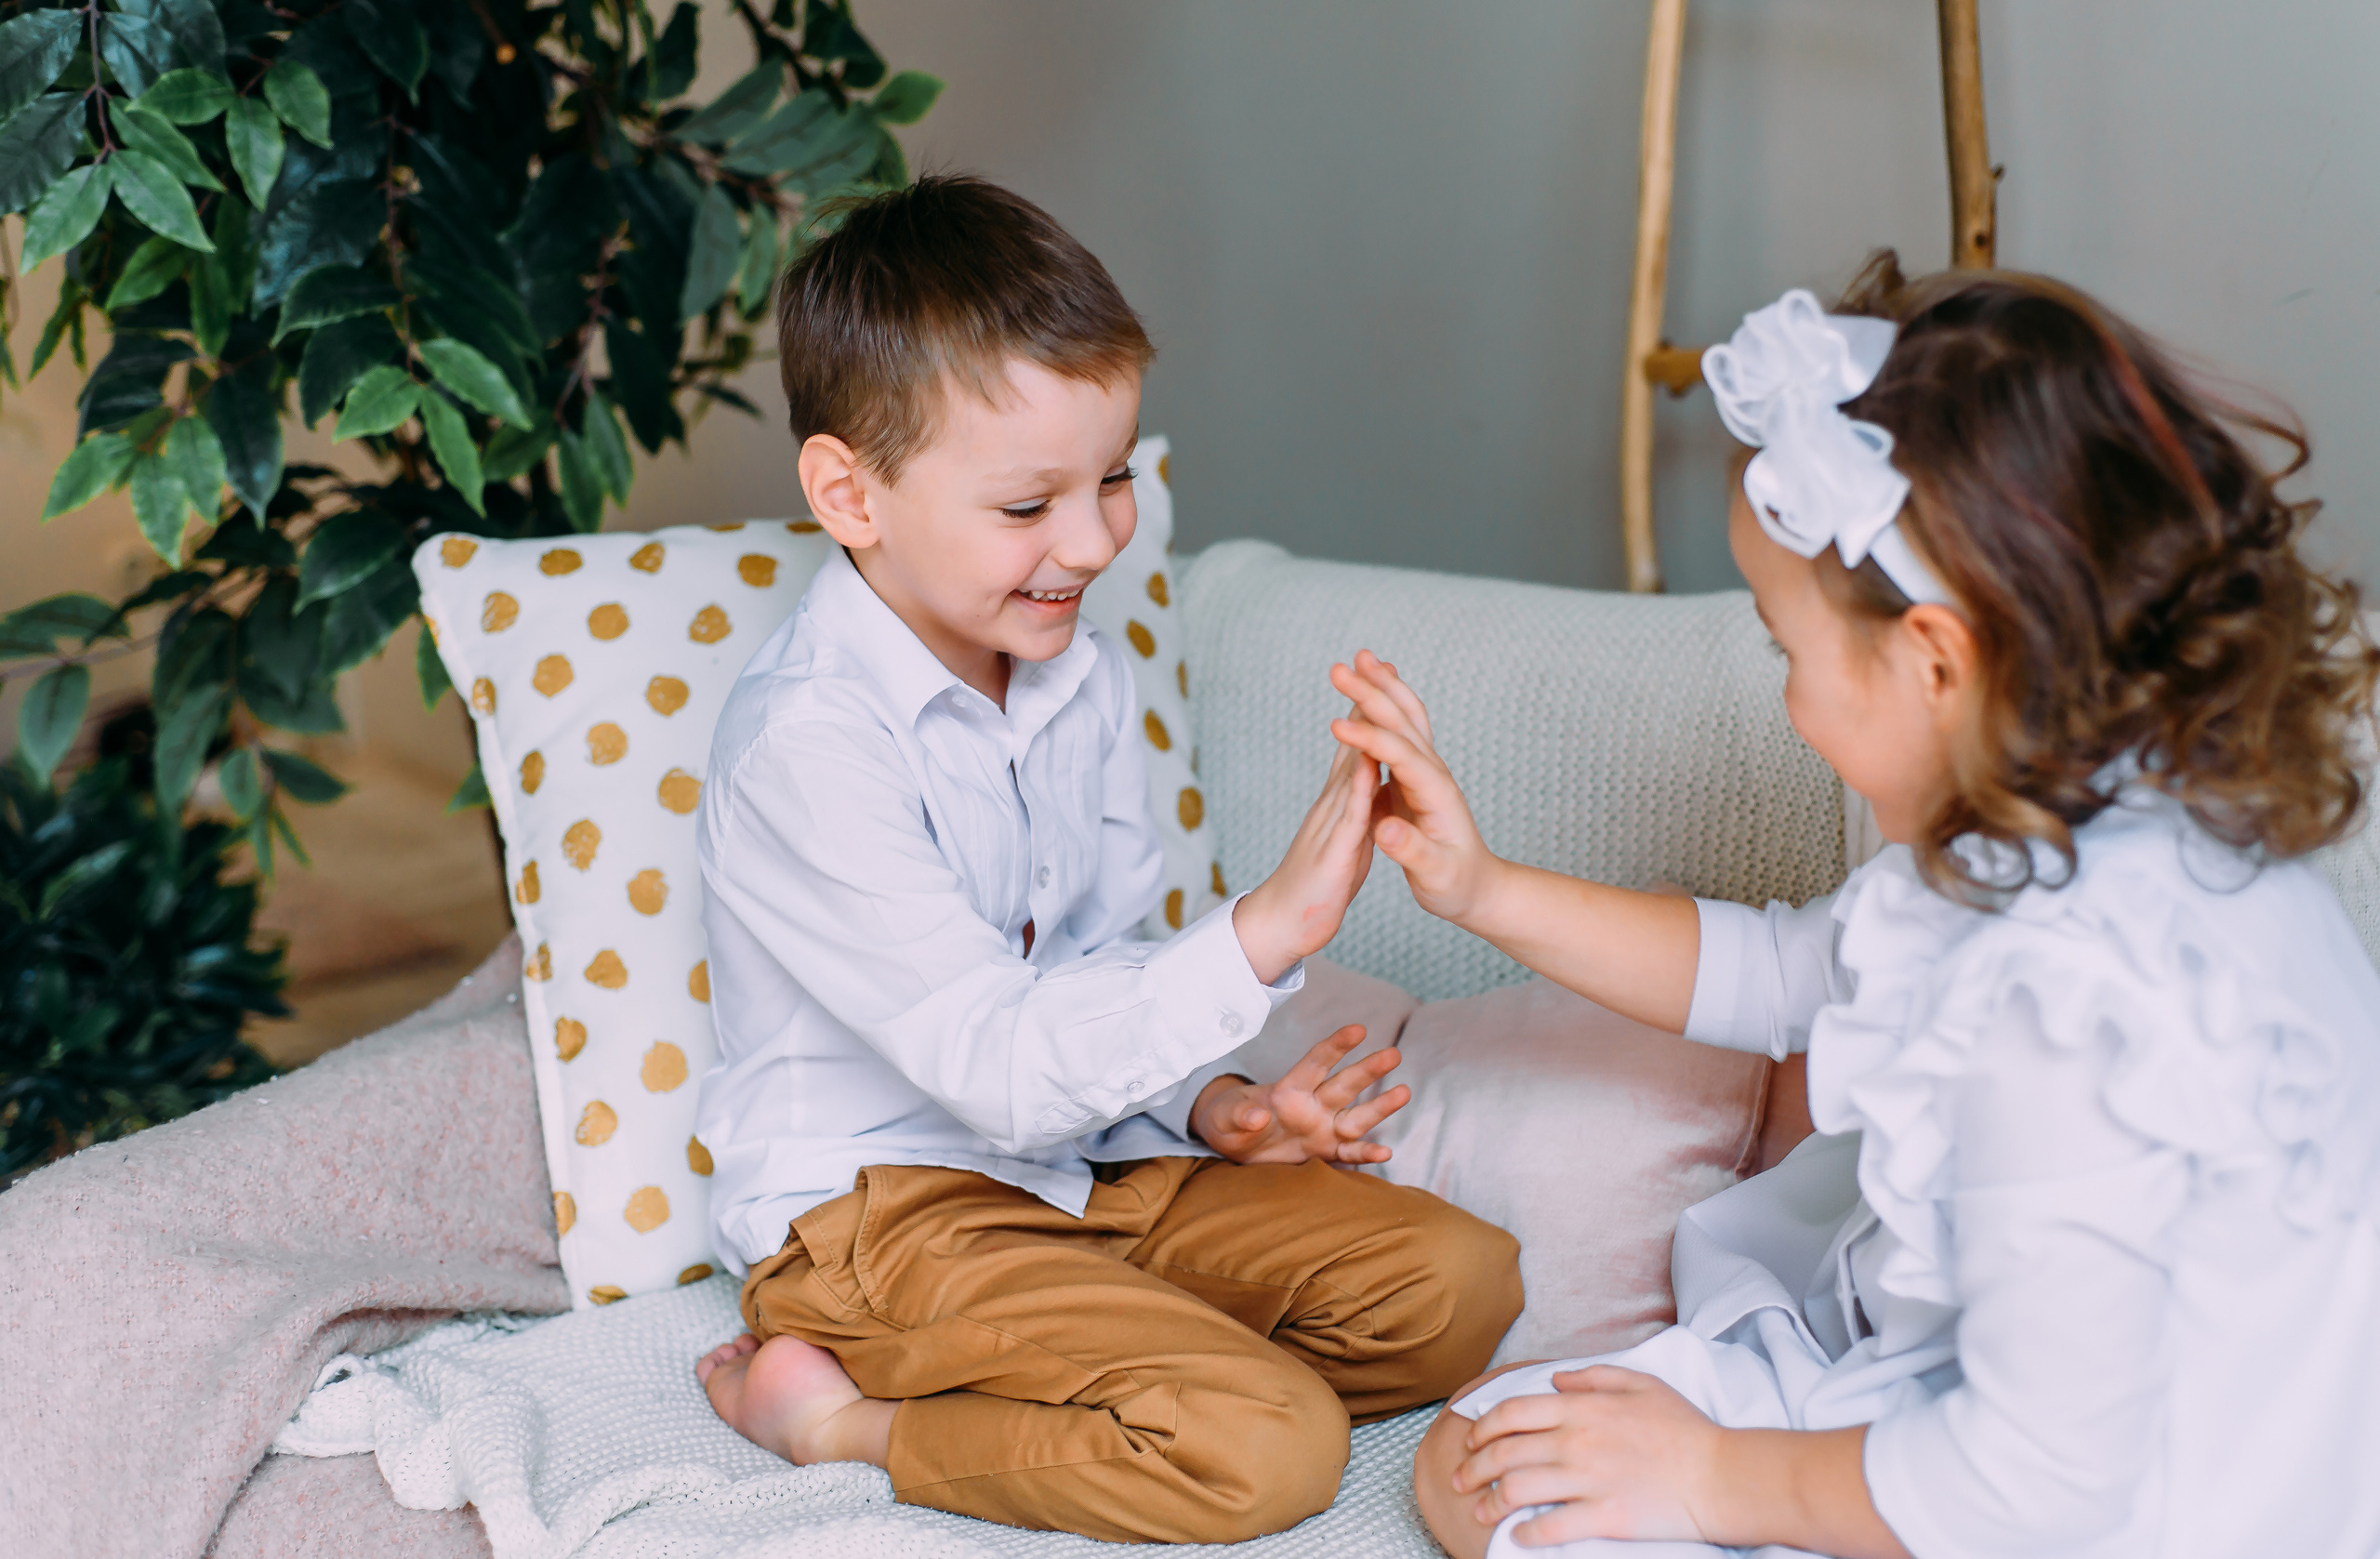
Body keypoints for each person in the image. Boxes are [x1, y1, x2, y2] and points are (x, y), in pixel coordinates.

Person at [1336, 261, 2380, 1558]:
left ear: (1934, 660)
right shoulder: (2071, 827)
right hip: (1939, 1383)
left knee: (1528, 1505)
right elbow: (1779, 973)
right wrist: (1481, 887)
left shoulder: (2076, 1007)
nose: (1786, 697)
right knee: (1487, 1457)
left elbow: (2040, 1487)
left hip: (2131, 1505)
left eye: (1789, 647)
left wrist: (1713, 1474)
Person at [686, 175, 1523, 1545]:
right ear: (850, 494)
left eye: (1116, 478)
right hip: (882, 1216)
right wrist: (1264, 930)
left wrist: (1213, 1109)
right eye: (1029, 506)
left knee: (1457, 1283)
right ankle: (842, 1418)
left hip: (1082, 1171)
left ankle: (1136, 1367)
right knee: (1272, 1447)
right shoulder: (807, 743)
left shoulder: (1075, 680)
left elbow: (1105, 962)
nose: (1092, 542)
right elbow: (1001, 1064)